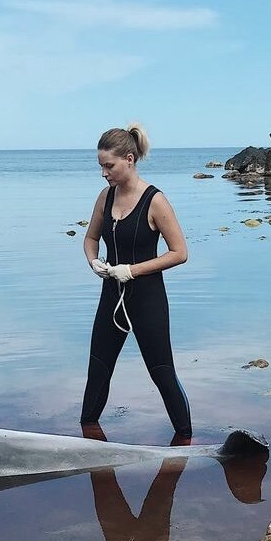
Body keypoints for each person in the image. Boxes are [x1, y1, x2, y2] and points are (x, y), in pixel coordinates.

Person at [80, 124, 192, 443]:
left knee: (162, 373)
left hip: (147, 299)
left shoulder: (155, 201)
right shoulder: (105, 197)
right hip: (110, 297)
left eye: (109, 166)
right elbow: (90, 238)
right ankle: (88, 439)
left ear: (129, 159)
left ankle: (186, 440)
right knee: (98, 371)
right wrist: (94, 262)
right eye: (101, 166)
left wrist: (133, 270)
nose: (104, 173)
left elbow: (180, 253)